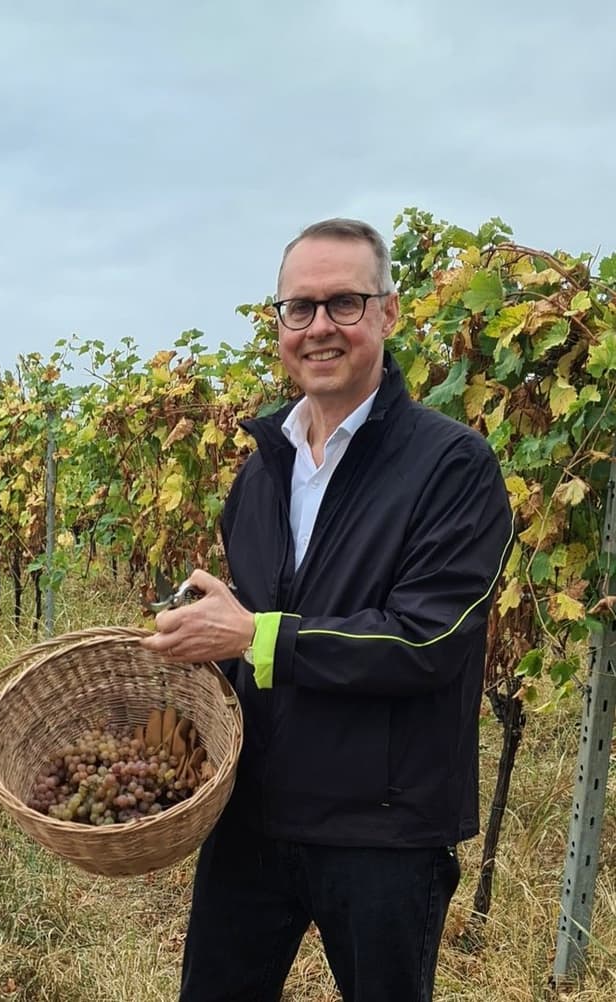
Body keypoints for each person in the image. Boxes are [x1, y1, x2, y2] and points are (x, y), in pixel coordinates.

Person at [140, 218, 514, 1002]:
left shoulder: (454, 467)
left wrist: (256, 634)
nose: (319, 328)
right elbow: (257, 626)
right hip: (254, 817)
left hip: (383, 833)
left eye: (344, 303)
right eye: (298, 308)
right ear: (277, 322)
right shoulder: (260, 474)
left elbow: (428, 639)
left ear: (389, 312)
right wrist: (209, 643)